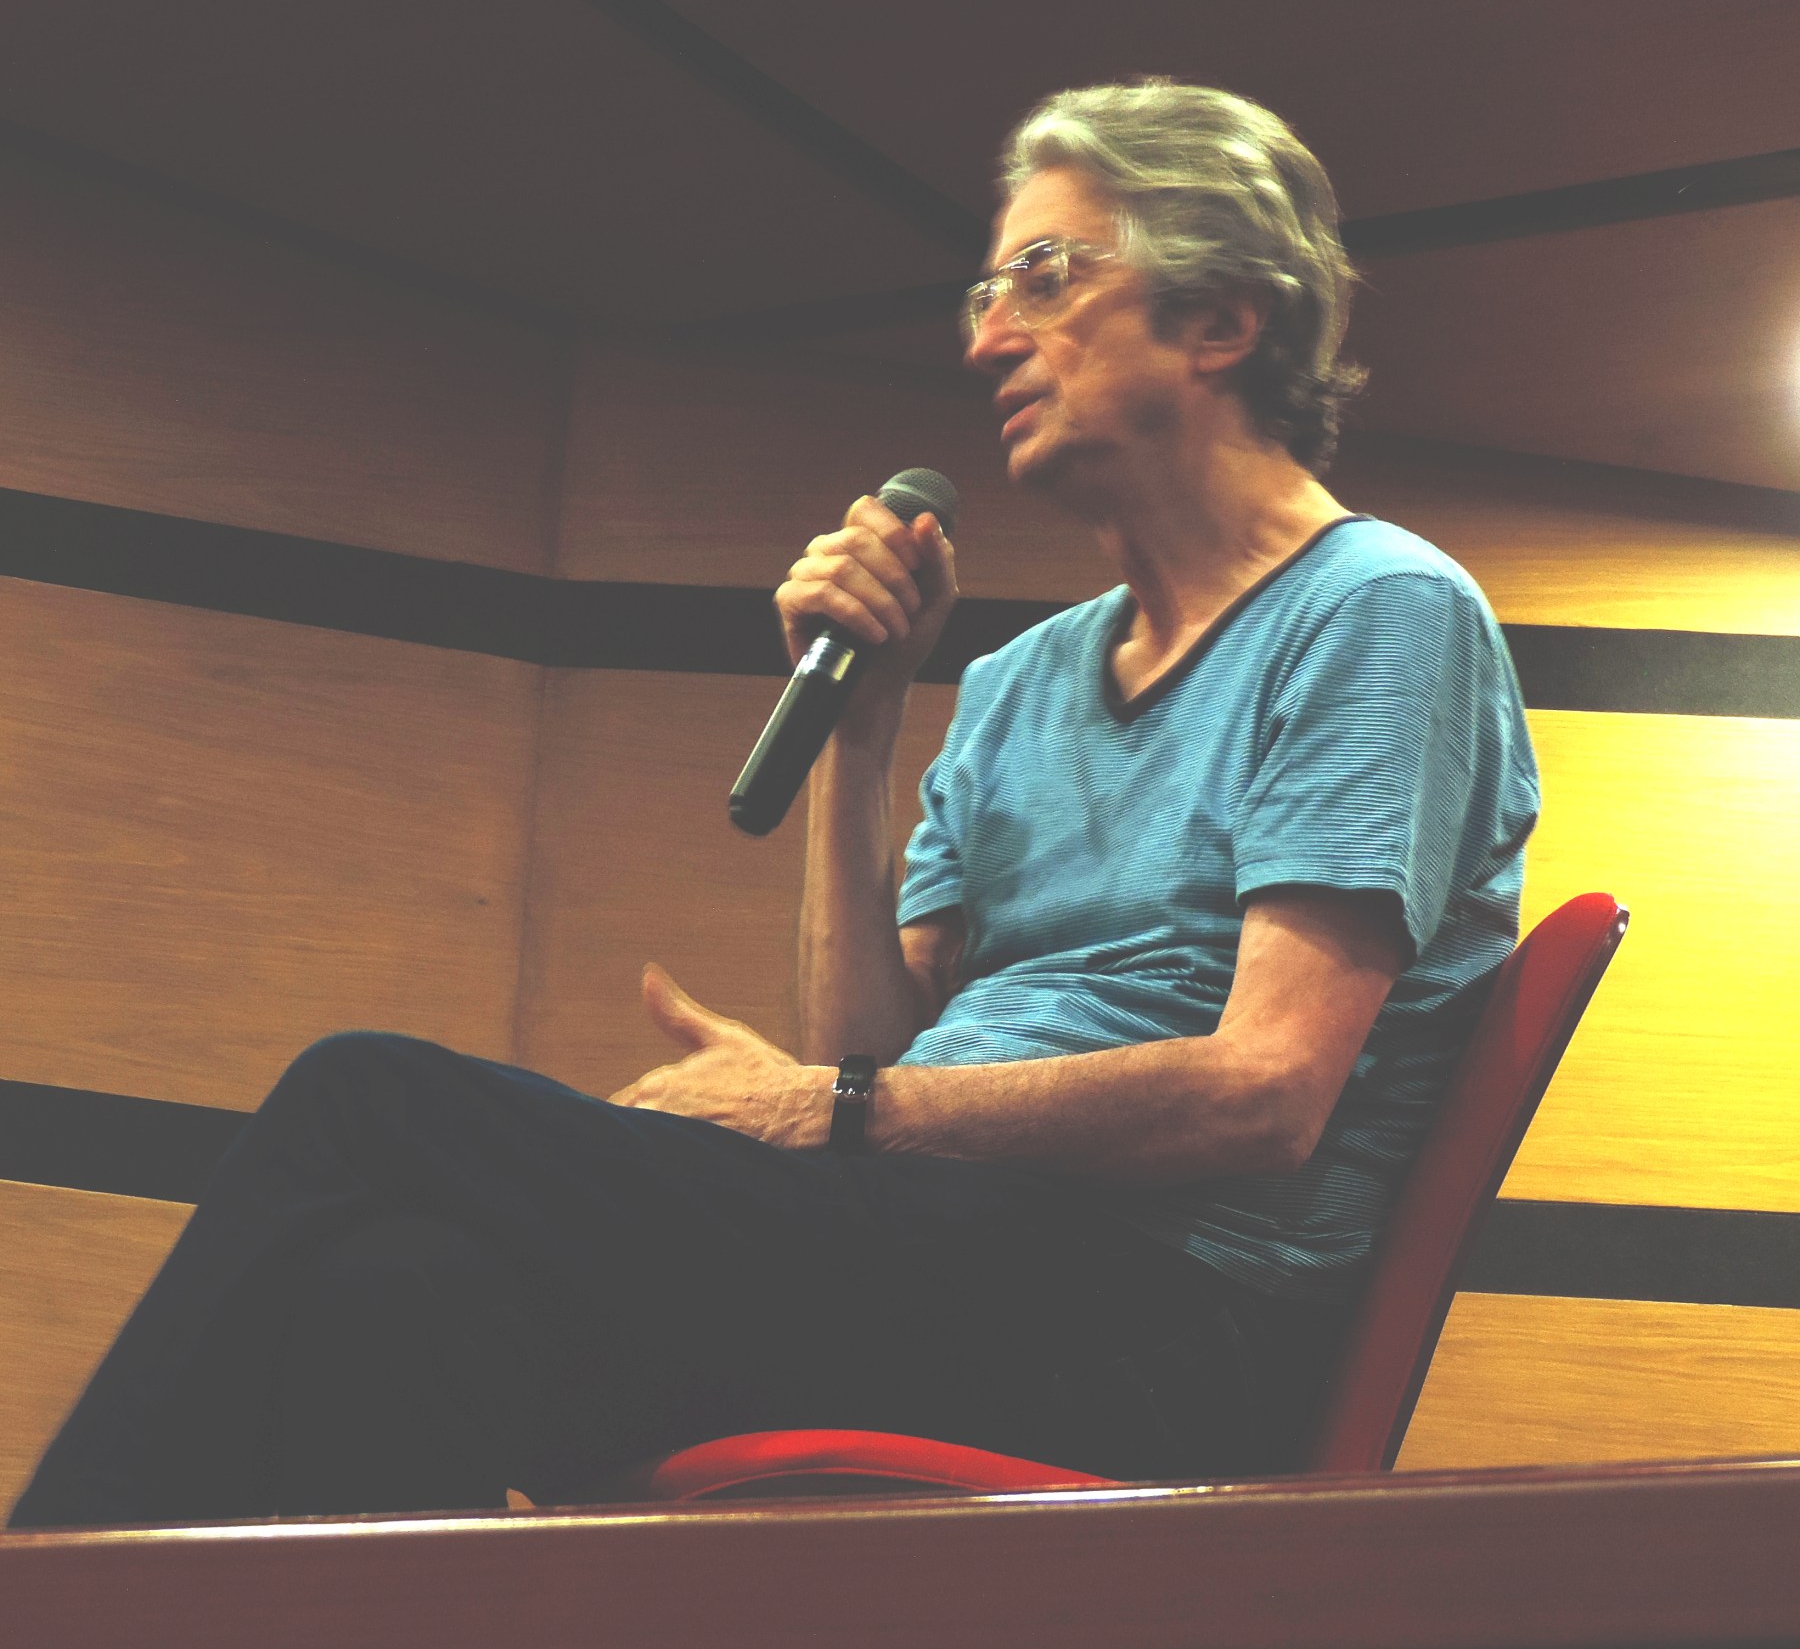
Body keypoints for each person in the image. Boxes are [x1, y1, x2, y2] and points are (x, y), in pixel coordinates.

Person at [8, 81, 1538, 1529]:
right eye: (984, 292)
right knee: (401, 1288)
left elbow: (1267, 1094)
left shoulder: (1378, 608)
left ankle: (41, 1588)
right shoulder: (1017, 680)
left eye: (1045, 275)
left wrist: (835, 1112)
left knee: (367, 1096)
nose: (986, 337)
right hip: (936, 1248)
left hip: (1163, 1313)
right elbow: (873, 1047)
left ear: (1219, 322)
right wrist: (863, 739)